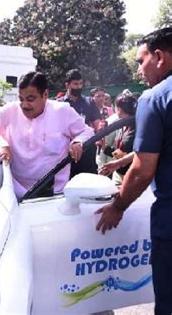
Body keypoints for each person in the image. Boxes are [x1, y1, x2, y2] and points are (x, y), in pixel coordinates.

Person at [95, 27, 172, 314]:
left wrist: (118, 206)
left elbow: (142, 170)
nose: (139, 71)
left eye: (141, 61)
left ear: (159, 57)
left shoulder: (155, 98)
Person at [0, 71, 94, 199]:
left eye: (31, 99)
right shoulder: (10, 110)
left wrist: (77, 142)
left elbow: (87, 131)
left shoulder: (62, 111)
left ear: (45, 95)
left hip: (52, 197)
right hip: (14, 196)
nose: (24, 105)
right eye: (21, 99)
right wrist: (1, 145)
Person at [60, 69, 101, 177]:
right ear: (67, 85)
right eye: (75, 84)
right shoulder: (59, 105)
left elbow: (97, 123)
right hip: (66, 153)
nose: (78, 87)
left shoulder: (89, 102)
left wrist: (100, 133)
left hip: (87, 150)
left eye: (80, 83)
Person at [100, 93, 137, 184]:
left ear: (119, 109)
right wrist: (104, 147)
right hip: (118, 173)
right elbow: (121, 152)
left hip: (132, 175)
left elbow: (138, 153)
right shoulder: (123, 125)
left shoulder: (138, 127)